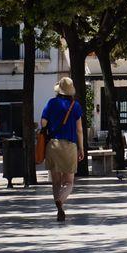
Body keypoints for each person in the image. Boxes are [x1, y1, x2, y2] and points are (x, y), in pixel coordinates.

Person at [40, 77, 84, 222]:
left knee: (56, 181)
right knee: (69, 182)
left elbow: (43, 122)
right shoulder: (75, 105)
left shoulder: (52, 103)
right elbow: (79, 130)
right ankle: (61, 200)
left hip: (53, 145)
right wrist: (81, 148)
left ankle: (58, 207)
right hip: (70, 146)